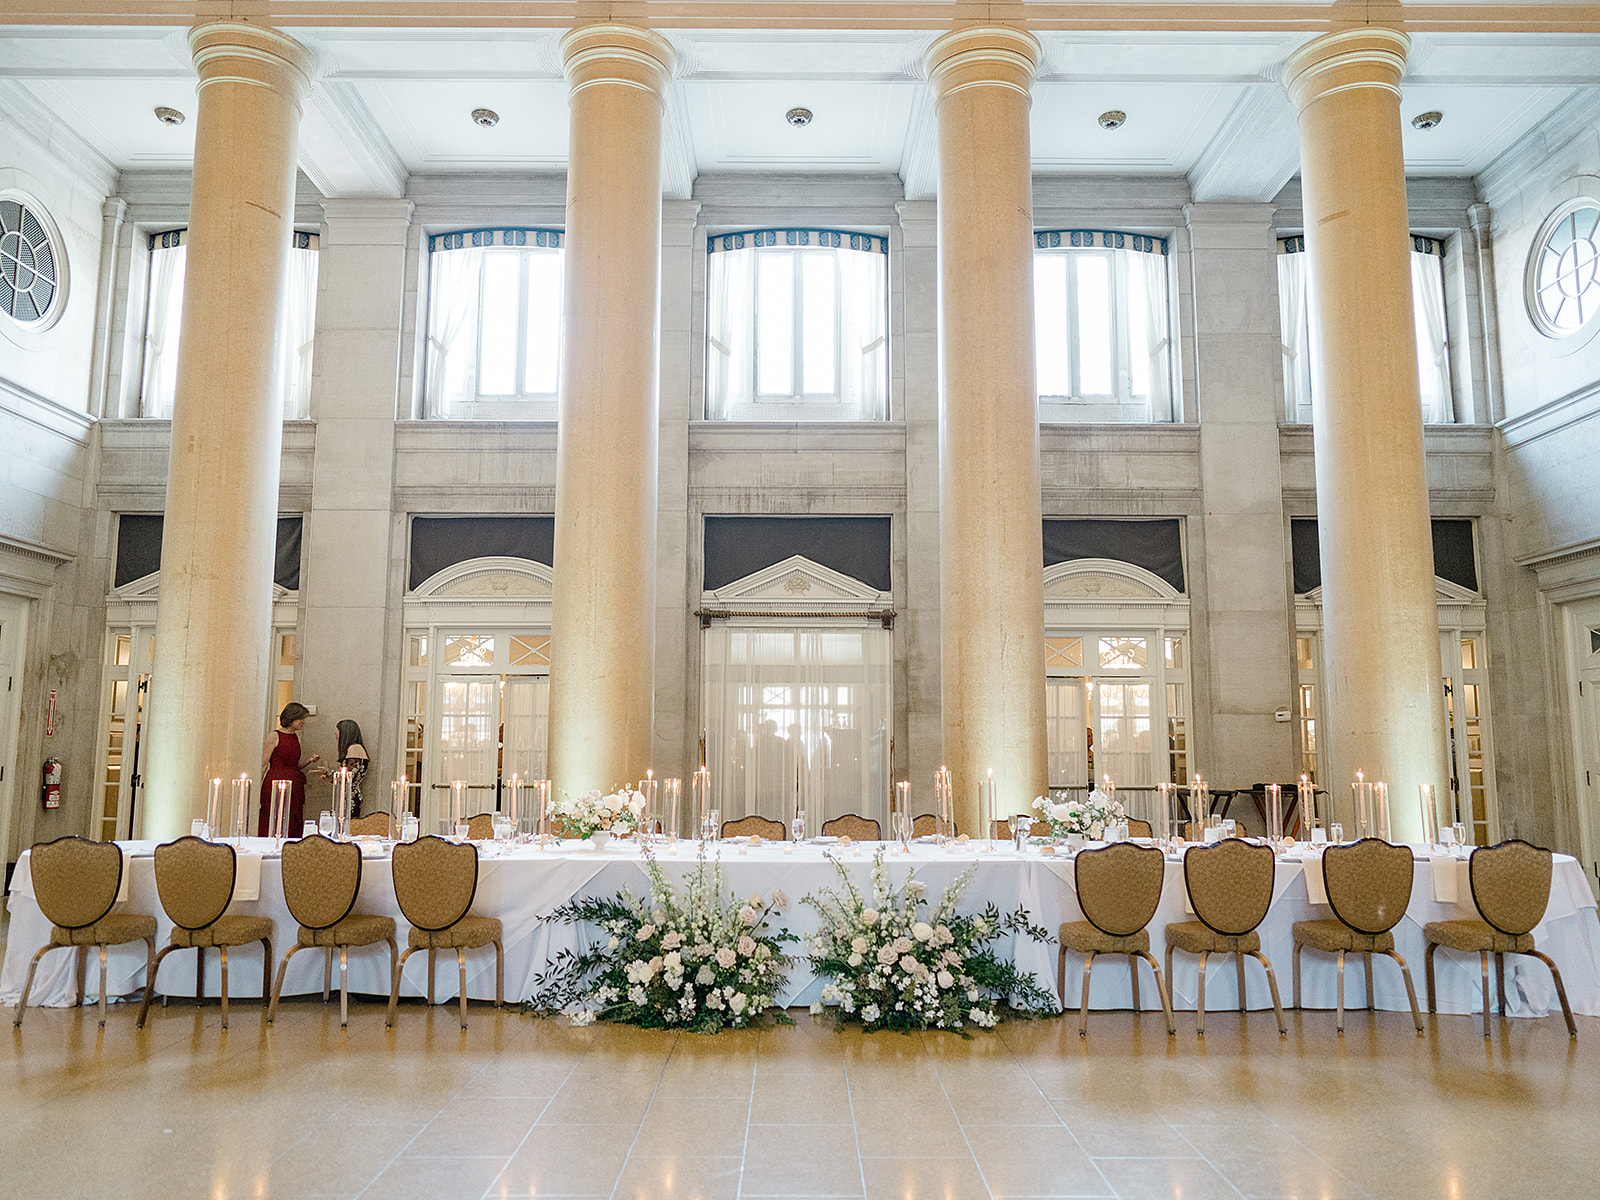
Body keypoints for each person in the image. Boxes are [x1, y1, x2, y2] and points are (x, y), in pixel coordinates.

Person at [259, 702, 319, 836]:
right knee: (275, 816)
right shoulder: (274, 736)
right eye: (300, 718)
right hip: (276, 782)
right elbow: (263, 764)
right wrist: (257, 788)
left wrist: (309, 761)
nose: (303, 722)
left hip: (294, 784)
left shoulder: (294, 737)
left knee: (292, 817)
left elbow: (294, 765)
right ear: (291, 717)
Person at [323, 719, 370, 816]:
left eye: (338, 731)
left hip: (350, 797)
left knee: (348, 826)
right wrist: (329, 778)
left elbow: (349, 776)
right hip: (347, 795)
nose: (336, 734)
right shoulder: (354, 748)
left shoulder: (355, 748)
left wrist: (329, 772)